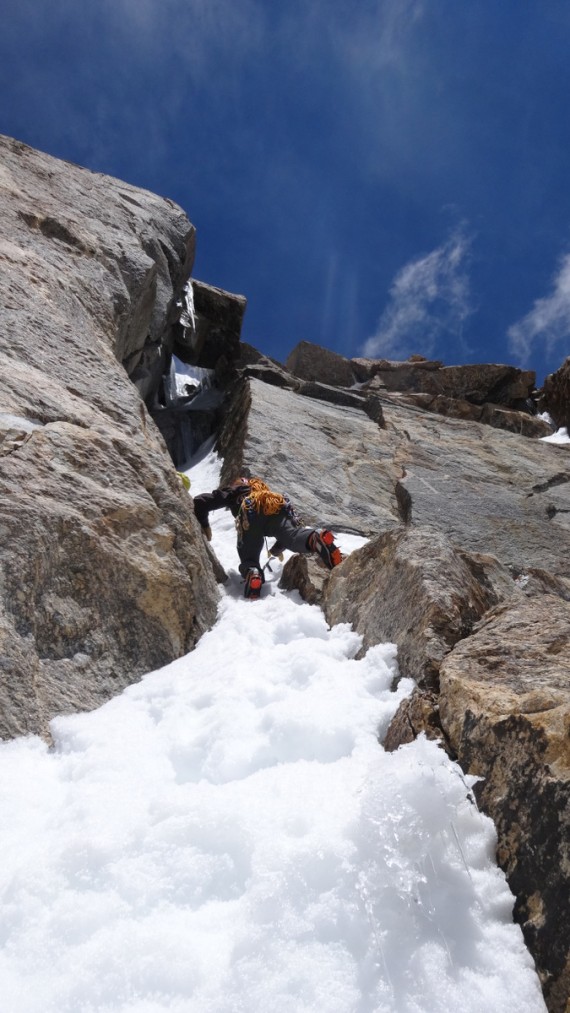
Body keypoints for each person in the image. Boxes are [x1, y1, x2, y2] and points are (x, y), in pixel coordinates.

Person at [193, 476, 342, 599]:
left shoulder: (237, 493)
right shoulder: (268, 496)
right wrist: (278, 548)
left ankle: (253, 573)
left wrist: (205, 525)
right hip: (279, 510)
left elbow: (200, 502)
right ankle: (315, 537)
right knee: (293, 536)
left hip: (251, 516)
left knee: (248, 553)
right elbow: (287, 532)